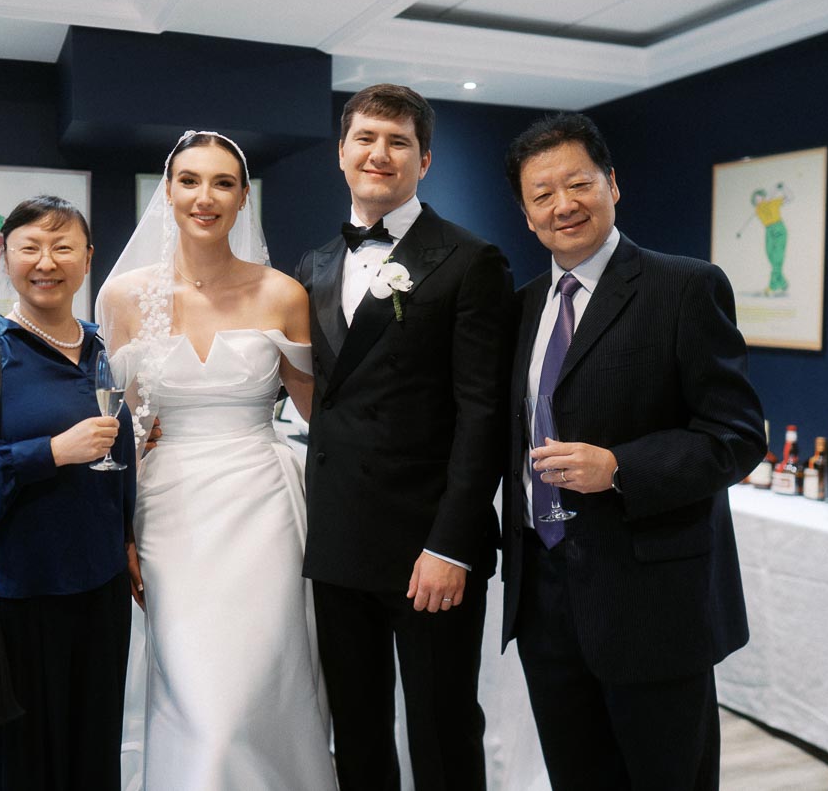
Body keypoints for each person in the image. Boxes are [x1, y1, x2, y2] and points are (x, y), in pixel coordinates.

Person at [501, 113, 766, 790]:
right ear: (527, 215)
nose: (564, 204)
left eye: (579, 183)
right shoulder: (521, 307)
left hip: (651, 599)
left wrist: (621, 468)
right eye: (542, 195)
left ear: (613, 185)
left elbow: (736, 437)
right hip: (546, 598)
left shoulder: (685, 286)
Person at [96, 131, 335, 790]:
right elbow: (124, 429)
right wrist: (120, 530)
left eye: (222, 183)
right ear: (167, 191)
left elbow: (321, 412)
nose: (206, 196)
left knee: (256, 690)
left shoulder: (283, 294)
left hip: (261, 507)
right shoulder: (122, 300)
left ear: (242, 197)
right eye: (191, 180)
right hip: (169, 513)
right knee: (193, 695)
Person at [296, 84, 513, 791]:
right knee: (355, 732)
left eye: (397, 141)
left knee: (442, 730)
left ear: (425, 158)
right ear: (340, 153)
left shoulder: (470, 260)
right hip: (338, 544)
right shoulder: (314, 266)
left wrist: (451, 544)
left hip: (431, 548)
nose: (378, 154)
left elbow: (483, 415)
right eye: (365, 138)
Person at [0, 195, 136, 790]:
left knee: (89, 753)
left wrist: (126, 536)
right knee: (16, 766)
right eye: (30, 247)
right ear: (6, 257)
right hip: (12, 596)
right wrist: (50, 452)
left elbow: (116, 461)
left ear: (88, 258)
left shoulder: (99, 350)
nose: (47, 261)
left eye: (63, 247)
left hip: (98, 591)